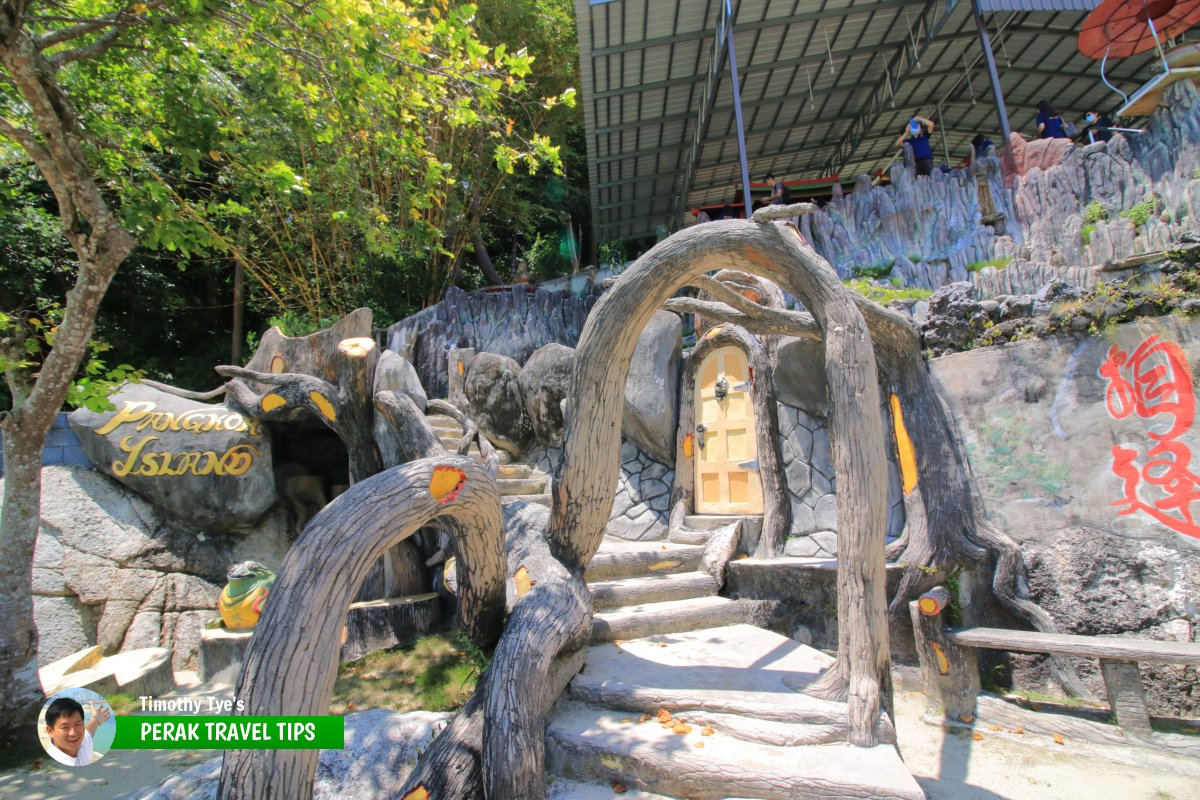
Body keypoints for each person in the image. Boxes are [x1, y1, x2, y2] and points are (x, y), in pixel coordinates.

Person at [44, 696, 110, 767]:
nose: (73, 733)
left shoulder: (82, 743)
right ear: (50, 731)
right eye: (65, 727)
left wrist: (96, 719)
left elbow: (89, 731)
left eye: (77, 724)